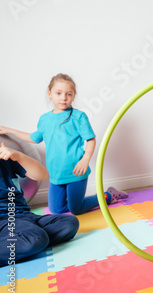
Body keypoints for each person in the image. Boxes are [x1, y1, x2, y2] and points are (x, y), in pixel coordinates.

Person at [0, 74, 127, 215]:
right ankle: (77, 202)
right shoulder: (45, 119)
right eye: (58, 93)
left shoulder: (78, 116)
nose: (63, 98)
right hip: (56, 174)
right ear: (49, 93)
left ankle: (108, 195)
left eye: (68, 94)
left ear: (73, 96)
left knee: (76, 209)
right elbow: (34, 138)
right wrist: (9, 130)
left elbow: (90, 139)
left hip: (76, 172)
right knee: (56, 210)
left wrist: (85, 159)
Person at [0, 142, 79, 267]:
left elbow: (41, 175)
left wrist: (19, 156)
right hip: (6, 220)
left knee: (69, 223)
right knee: (34, 238)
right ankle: (31, 240)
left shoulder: (4, 159)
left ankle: (29, 242)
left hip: (26, 215)